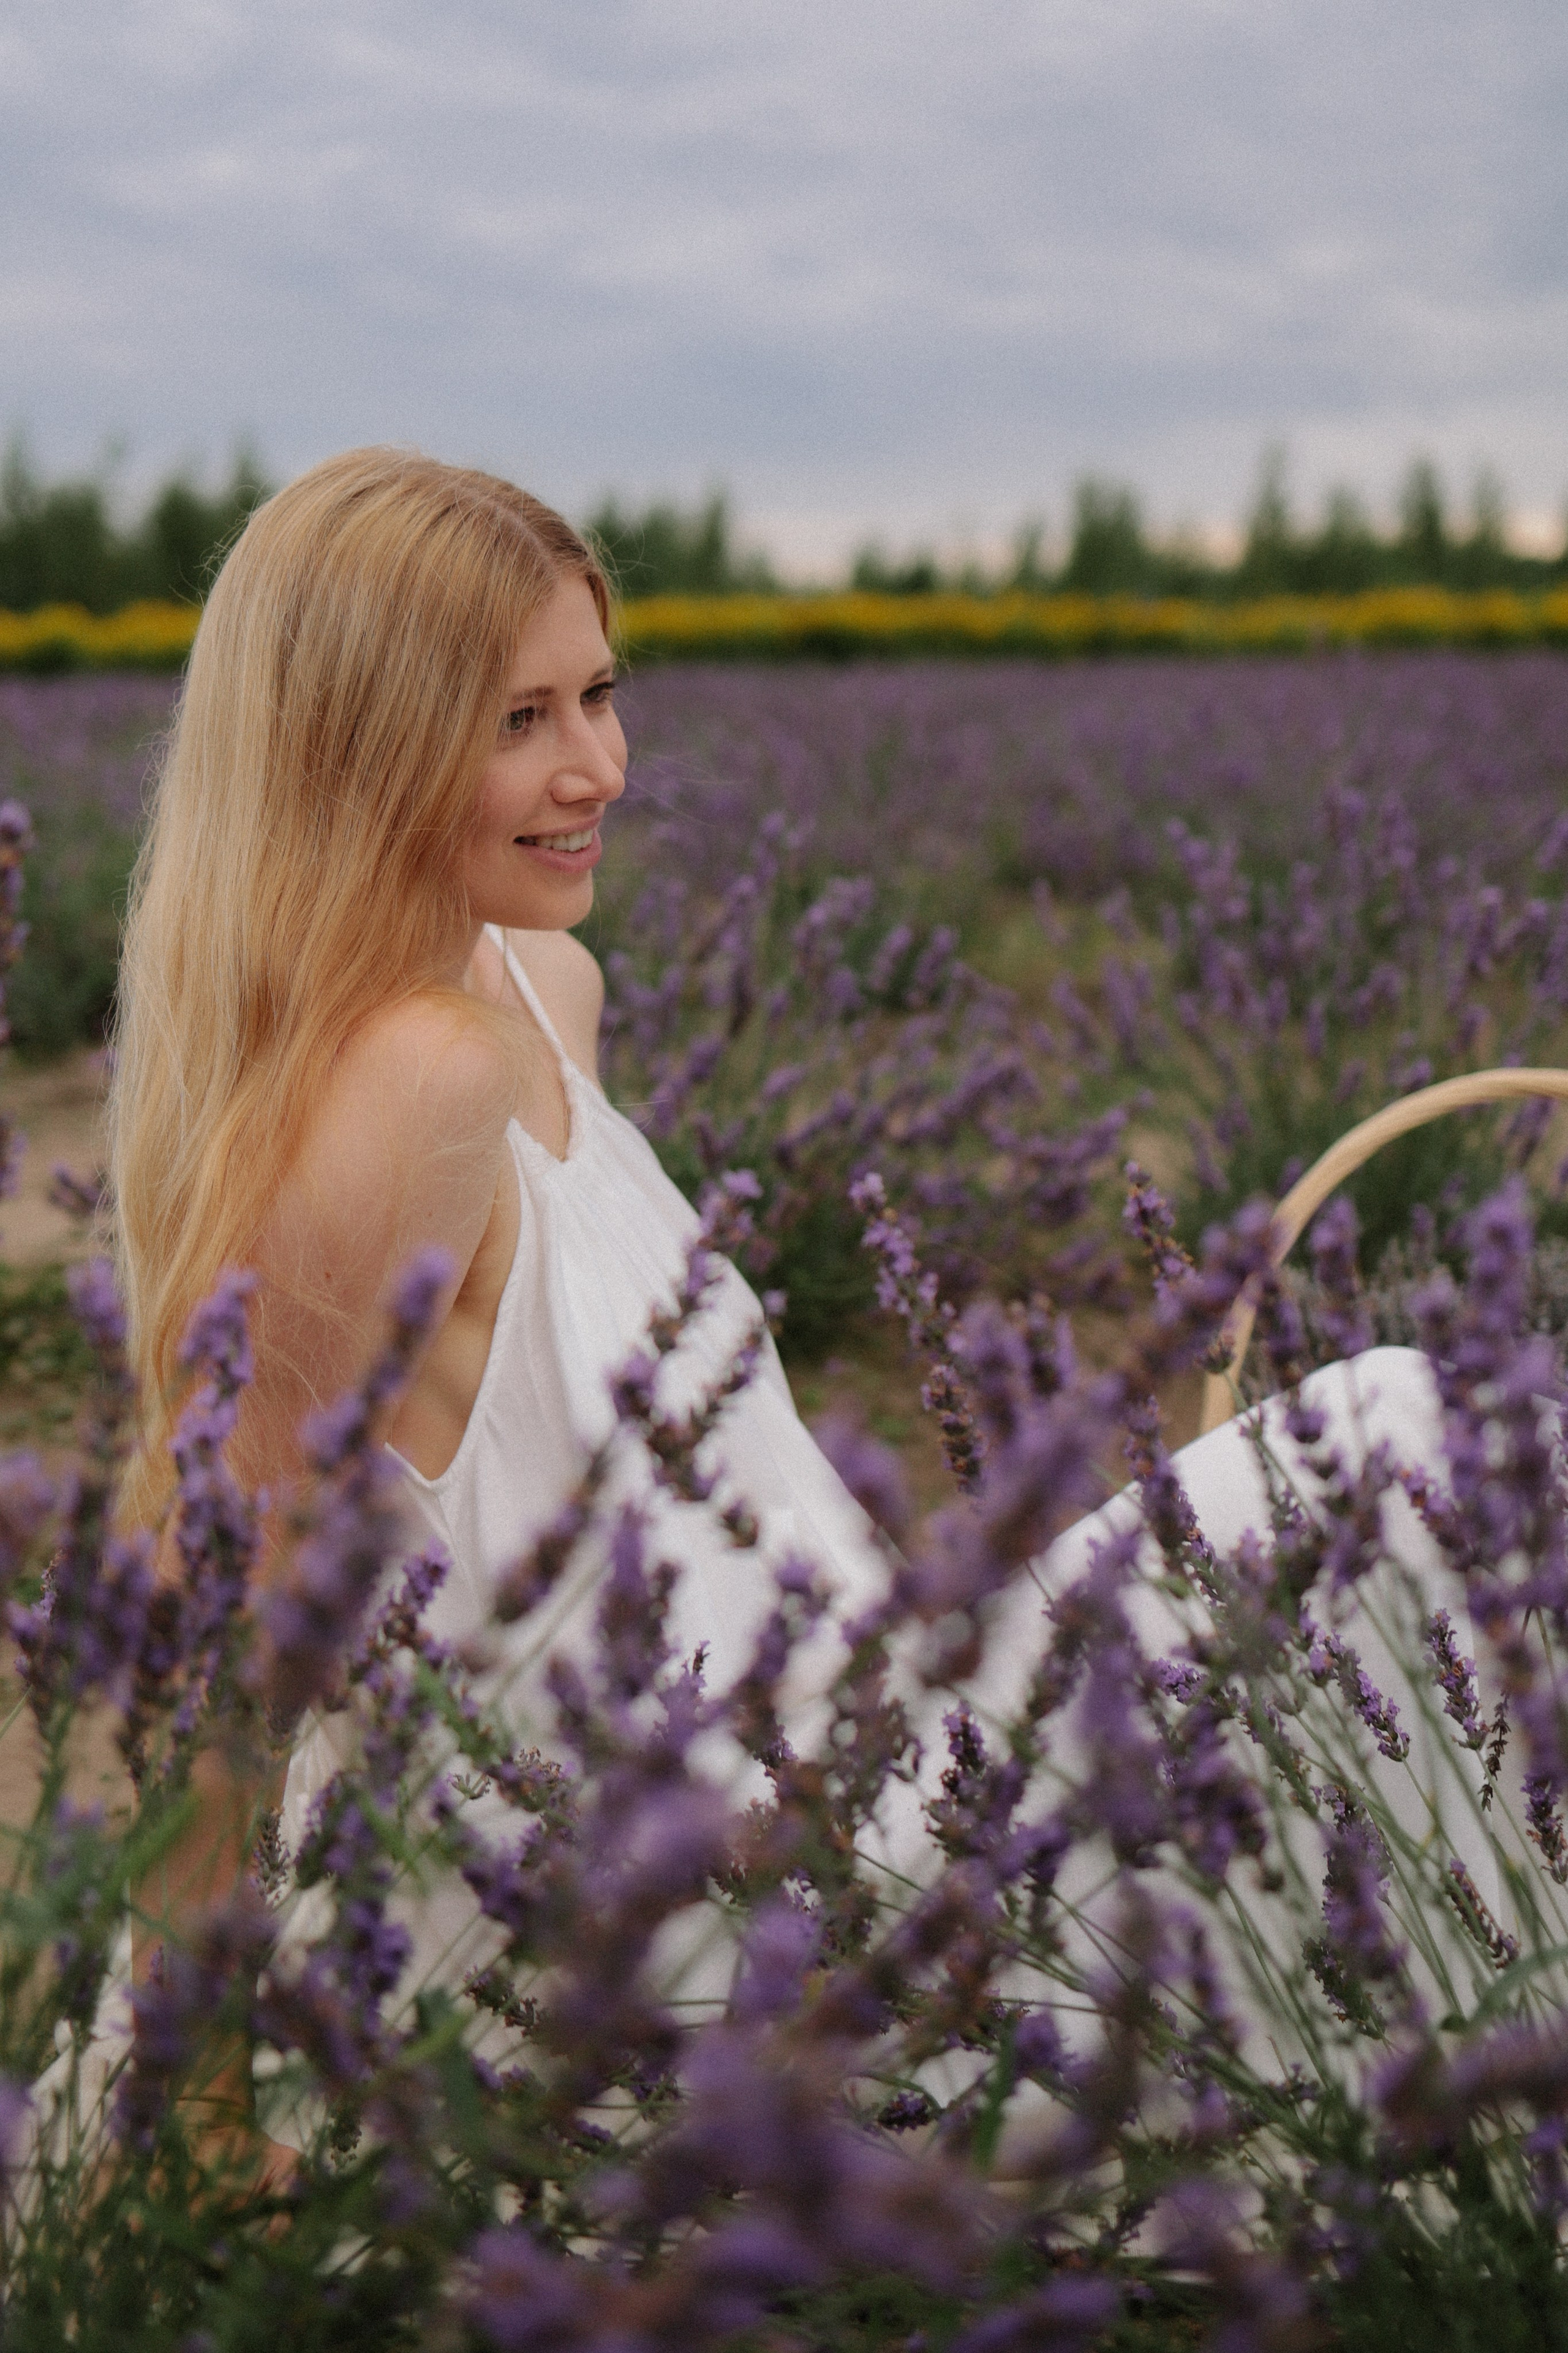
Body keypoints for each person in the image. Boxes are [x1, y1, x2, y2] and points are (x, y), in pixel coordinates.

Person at [99, 448, 1470, 2175]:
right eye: (518, 718)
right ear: (360, 747)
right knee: (1412, 1449)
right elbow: (209, 1620)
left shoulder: (537, 981)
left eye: (598, 691)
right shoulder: (407, 1083)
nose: (598, 766)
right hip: (695, 1904)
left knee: (1419, 1511)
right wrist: (201, 2133)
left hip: (876, 1734)